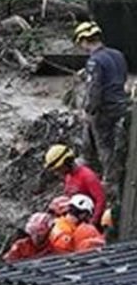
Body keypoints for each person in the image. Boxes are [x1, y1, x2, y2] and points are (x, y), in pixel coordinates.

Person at [73, 21, 129, 197]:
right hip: (122, 104)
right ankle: (85, 159)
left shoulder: (94, 61)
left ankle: (110, 182)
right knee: (104, 137)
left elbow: (94, 90)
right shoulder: (117, 54)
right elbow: (119, 77)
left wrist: (88, 110)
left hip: (105, 109)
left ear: (84, 40)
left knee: (105, 145)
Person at [44, 144, 106, 227]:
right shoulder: (68, 177)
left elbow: (101, 200)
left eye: (59, 168)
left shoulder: (87, 176)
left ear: (67, 162)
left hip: (87, 220)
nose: (57, 172)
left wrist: (93, 222)